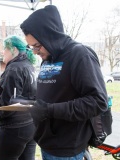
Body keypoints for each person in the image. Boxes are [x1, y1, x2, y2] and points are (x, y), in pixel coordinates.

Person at [13, 5, 109, 160]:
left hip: (67, 147)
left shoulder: (79, 55)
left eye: (37, 46)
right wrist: (31, 103)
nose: (35, 52)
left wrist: (49, 110)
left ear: (50, 36)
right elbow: (56, 93)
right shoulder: (48, 57)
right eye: (32, 47)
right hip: (47, 142)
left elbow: (97, 102)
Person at [0, 35, 37, 160]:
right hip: (31, 124)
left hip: (13, 127)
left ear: (14, 50)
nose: (2, 51)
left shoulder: (15, 69)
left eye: (5, 48)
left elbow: (9, 102)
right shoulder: (28, 66)